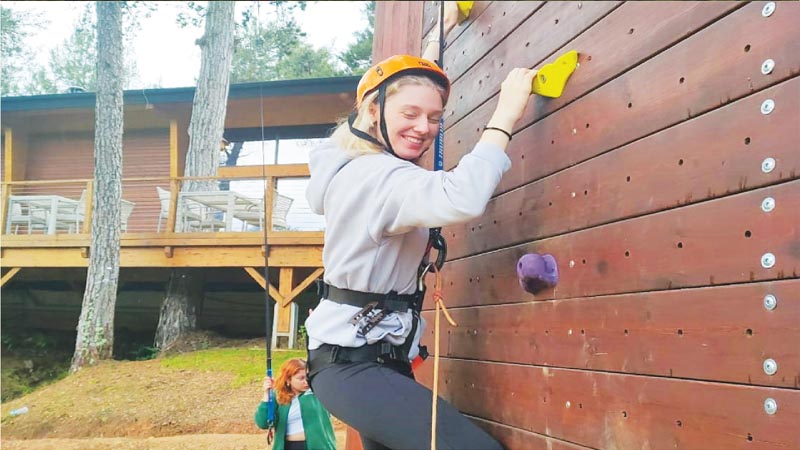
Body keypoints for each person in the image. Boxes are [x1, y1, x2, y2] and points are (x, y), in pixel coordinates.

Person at [303, 2, 536, 449]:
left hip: (364, 364)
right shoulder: (376, 177)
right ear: (374, 112)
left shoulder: (351, 158)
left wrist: (439, 37)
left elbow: (402, 90)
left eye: (434, 117)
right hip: (356, 368)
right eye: (409, 114)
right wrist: (507, 112)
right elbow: (461, 197)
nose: (423, 127)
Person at [254, 358, 337, 450]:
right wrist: (267, 395)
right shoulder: (278, 397)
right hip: (289, 446)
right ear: (288, 380)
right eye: (301, 378)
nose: (306, 382)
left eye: (307, 377)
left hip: (319, 446)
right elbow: (263, 423)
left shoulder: (317, 392)